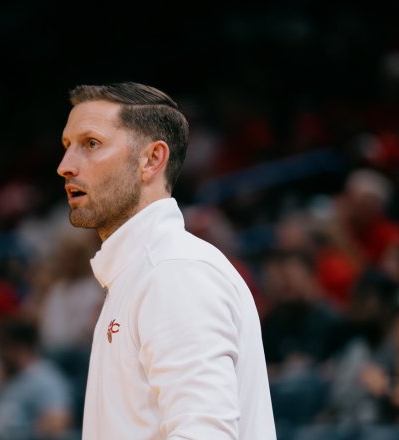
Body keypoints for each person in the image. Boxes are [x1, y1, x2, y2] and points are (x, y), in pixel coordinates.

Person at [57, 82, 276, 439]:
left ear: (152, 159)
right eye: (67, 147)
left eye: (91, 144)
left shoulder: (173, 272)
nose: (65, 166)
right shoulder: (141, 272)